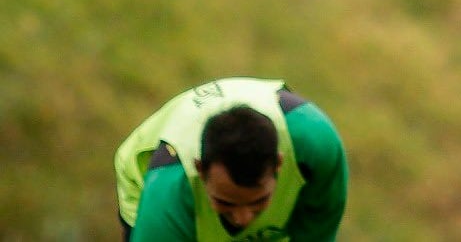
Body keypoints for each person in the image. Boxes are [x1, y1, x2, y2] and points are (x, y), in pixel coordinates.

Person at [114, 77, 348, 241]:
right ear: (200, 170)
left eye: (259, 201)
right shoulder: (166, 194)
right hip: (147, 179)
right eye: (226, 202)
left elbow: (318, 234)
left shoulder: (317, 149)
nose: (242, 219)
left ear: (279, 164)